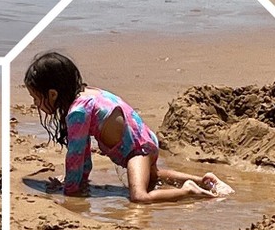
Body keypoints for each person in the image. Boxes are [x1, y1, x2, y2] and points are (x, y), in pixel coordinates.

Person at [24, 51, 234, 203]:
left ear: (53, 94)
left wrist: (70, 190)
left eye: (36, 98)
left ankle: (189, 191)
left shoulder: (77, 112)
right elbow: (83, 157)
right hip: (146, 141)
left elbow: (77, 156)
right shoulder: (90, 93)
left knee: (140, 196)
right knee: (154, 177)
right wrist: (75, 179)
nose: (35, 104)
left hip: (137, 151)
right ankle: (204, 180)